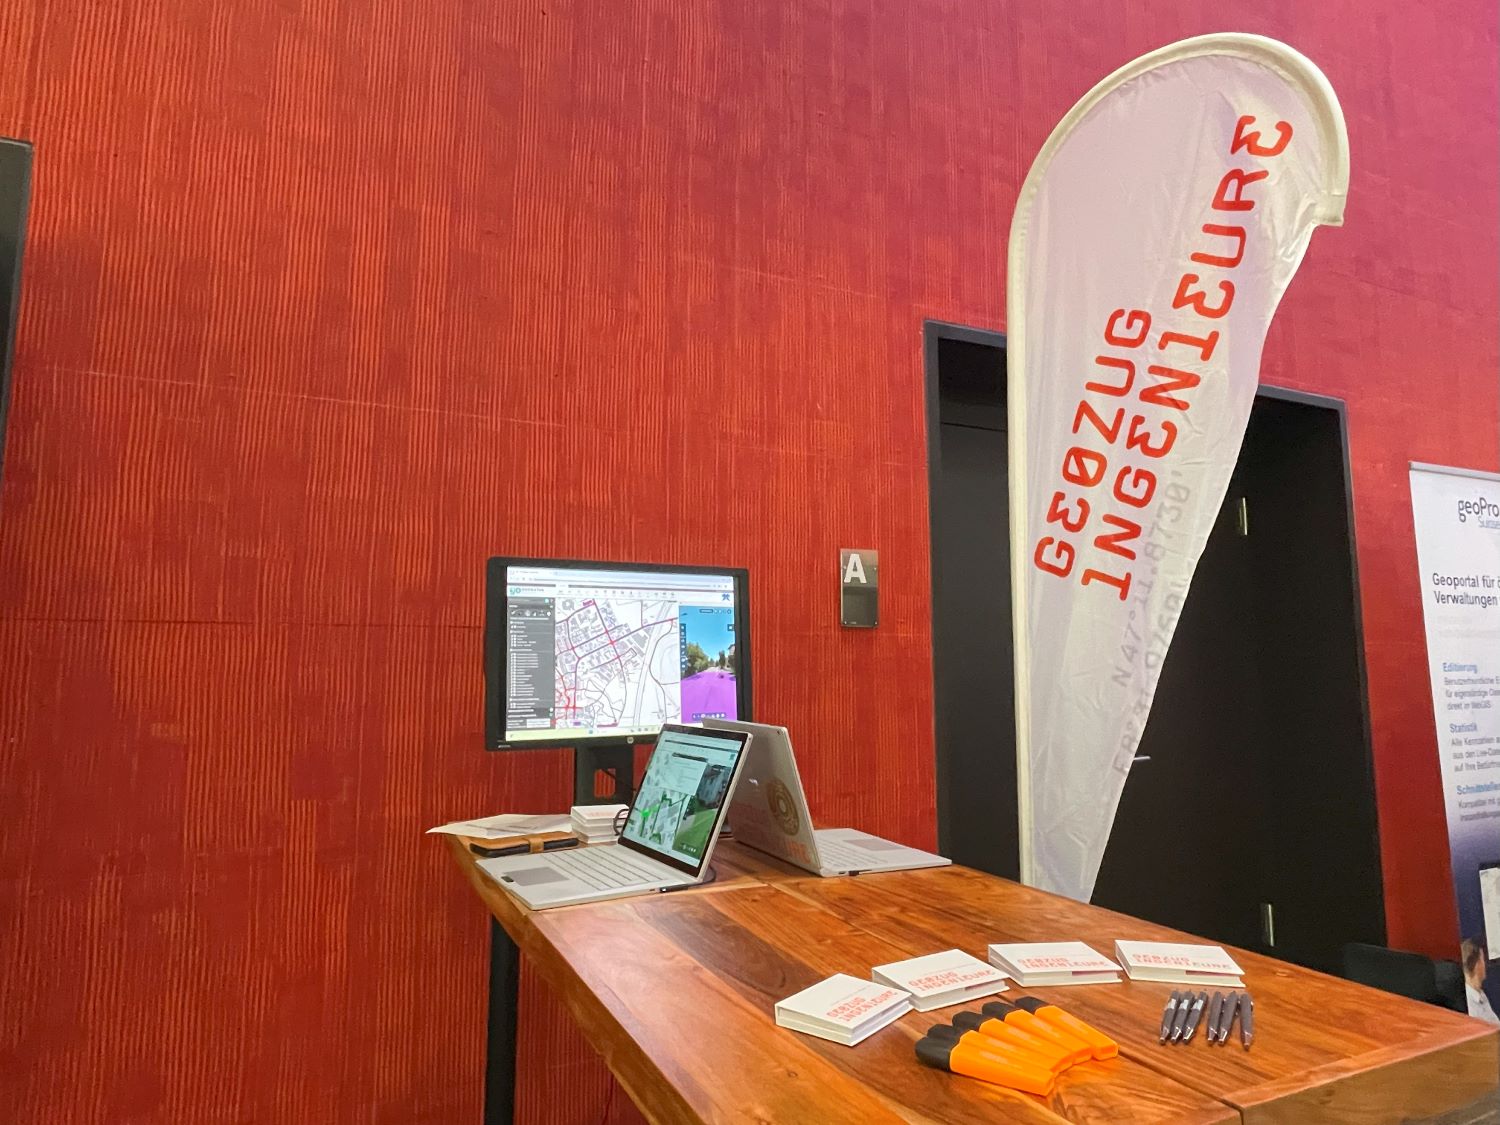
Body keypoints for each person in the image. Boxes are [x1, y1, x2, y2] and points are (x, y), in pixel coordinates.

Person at [1462, 938, 1499, 1024]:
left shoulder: (1481, 995)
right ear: (1477, 965)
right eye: (1482, 959)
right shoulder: (1470, 1007)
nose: (1485, 964)